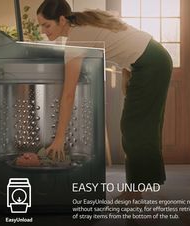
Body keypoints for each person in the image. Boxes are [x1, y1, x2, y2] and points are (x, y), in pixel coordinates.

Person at [37, 0, 173, 198]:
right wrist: (128, 70)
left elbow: (68, 94)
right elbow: (124, 37)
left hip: (151, 64)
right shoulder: (83, 22)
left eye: (46, 25)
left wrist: (59, 139)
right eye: (41, 25)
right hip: (151, 59)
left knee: (136, 127)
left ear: (62, 20)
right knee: (140, 126)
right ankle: (140, 188)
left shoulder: (77, 37)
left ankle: (134, 194)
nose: (43, 31)